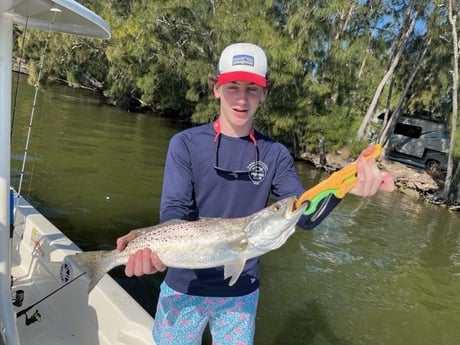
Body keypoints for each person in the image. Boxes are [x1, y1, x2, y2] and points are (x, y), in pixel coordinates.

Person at [116, 42, 395, 345]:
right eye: (232, 86)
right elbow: (174, 210)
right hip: (182, 285)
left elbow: (304, 215)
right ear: (216, 89)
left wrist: (345, 183)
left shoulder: (276, 155)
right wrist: (153, 248)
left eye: (252, 88)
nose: (242, 98)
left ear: (265, 93)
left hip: (241, 293)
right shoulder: (185, 144)